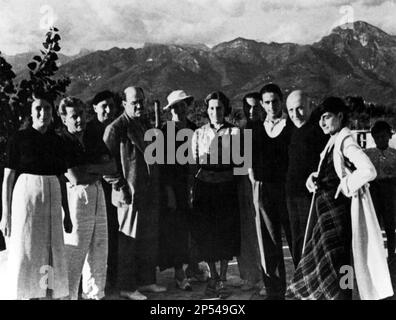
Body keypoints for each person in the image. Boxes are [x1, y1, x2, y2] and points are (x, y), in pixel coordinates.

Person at [286, 97, 393, 300]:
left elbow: (368, 171)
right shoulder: (333, 140)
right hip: (327, 217)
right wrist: (314, 177)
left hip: (338, 218)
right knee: (332, 266)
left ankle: (344, 297)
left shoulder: (346, 141)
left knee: (341, 265)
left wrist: (344, 186)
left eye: (327, 117)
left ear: (340, 116)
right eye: (320, 119)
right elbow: (333, 171)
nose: (322, 123)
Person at [0, 92, 70, 300]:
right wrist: (6, 214)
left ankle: (45, 292)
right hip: (26, 197)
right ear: (31, 113)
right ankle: (26, 294)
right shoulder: (19, 139)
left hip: (52, 195)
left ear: (53, 112)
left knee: (50, 247)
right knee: (27, 246)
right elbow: (8, 178)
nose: (43, 113)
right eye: (38, 108)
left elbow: (61, 176)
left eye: (47, 108)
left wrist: (67, 212)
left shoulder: (57, 141)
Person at [103, 86, 166, 300]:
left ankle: (146, 281)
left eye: (141, 101)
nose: (139, 105)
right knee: (128, 240)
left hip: (148, 192)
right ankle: (127, 287)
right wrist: (120, 186)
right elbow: (105, 163)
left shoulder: (144, 124)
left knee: (148, 237)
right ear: (124, 104)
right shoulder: (116, 128)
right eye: (133, 102)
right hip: (128, 194)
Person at [58, 97, 114, 300]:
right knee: (74, 252)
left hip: (97, 193)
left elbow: (112, 167)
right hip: (75, 197)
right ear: (64, 119)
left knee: (99, 251)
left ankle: (95, 295)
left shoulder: (91, 137)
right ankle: (68, 297)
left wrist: (90, 168)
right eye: (74, 116)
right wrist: (97, 169)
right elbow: (75, 177)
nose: (79, 120)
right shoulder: (62, 141)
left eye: (81, 114)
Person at [191, 91, 240, 298]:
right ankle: (212, 277)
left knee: (225, 233)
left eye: (219, 107)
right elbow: (193, 164)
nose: (215, 112)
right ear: (207, 110)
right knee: (207, 233)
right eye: (211, 108)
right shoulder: (198, 133)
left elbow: (241, 165)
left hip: (226, 188)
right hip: (205, 188)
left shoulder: (236, 133)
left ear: (225, 109)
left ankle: (222, 278)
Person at [249, 83, 293, 299]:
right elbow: (247, 162)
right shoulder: (255, 128)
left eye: (275, 101)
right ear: (262, 104)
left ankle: (305, 286)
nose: (271, 105)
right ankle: (275, 291)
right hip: (263, 190)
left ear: (281, 101)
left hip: (288, 189)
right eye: (266, 102)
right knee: (269, 243)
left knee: (296, 239)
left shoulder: (292, 126)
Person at [158, 90, 196, 291]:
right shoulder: (164, 132)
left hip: (192, 186)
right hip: (173, 188)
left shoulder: (194, 129)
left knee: (192, 228)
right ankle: (179, 273)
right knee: (177, 230)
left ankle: (194, 266)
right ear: (170, 109)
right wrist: (169, 192)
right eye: (176, 106)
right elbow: (163, 168)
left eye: (183, 105)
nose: (180, 109)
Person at [285, 90, 327, 267]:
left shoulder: (319, 131)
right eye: (291, 110)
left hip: (311, 195)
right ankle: (299, 277)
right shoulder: (288, 130)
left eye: (300, 108)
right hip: (291, 193)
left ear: (310, 106)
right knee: (296, 239)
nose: (295, 114)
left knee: (311, 240)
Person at [87, 90, 119, 291]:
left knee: (113, 235)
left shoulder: (116, 129)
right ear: (94, 108)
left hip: (113, 190)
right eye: (103, 106)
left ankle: (112, 279)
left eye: (111, 106)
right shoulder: (89, 130)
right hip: (93, 190)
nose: (108, 110)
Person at [236, 92, 264, 291]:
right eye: (248, 107)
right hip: (245, 187)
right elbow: (239, 165)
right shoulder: (242, 131)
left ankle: (268, 278)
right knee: (246, 234)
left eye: (255, 107)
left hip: (266, 186)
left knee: (264, 234)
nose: (252, 111)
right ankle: (250, 276)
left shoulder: (270, 129)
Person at [365, 120, 396, 260]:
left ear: (390, 136)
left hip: (390, 192)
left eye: (383, 136)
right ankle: (376, 257)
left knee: (391, 225)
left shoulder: (394, 154)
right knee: (374, 224)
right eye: (377, 137)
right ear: (373, 137)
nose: (380, 140)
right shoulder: (367, 154)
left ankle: (392, 255)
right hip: (374, 192)